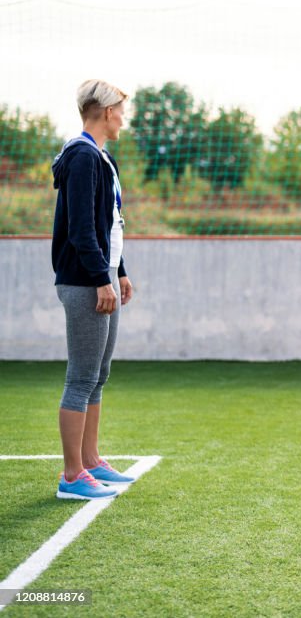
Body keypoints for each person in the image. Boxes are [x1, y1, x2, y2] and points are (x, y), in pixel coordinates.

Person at [51, 79, 136, 500]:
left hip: (102, 277)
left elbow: (110, 226)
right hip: (84, 281)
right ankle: (71, 476)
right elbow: (81, 228)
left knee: (98, 375)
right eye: (121, 110)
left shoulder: (103, 159)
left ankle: (90, 460)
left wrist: (119, 271)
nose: (124, 117)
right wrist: (102, 277)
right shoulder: (82, 157)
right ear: (105, 112)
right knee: (81, 376)